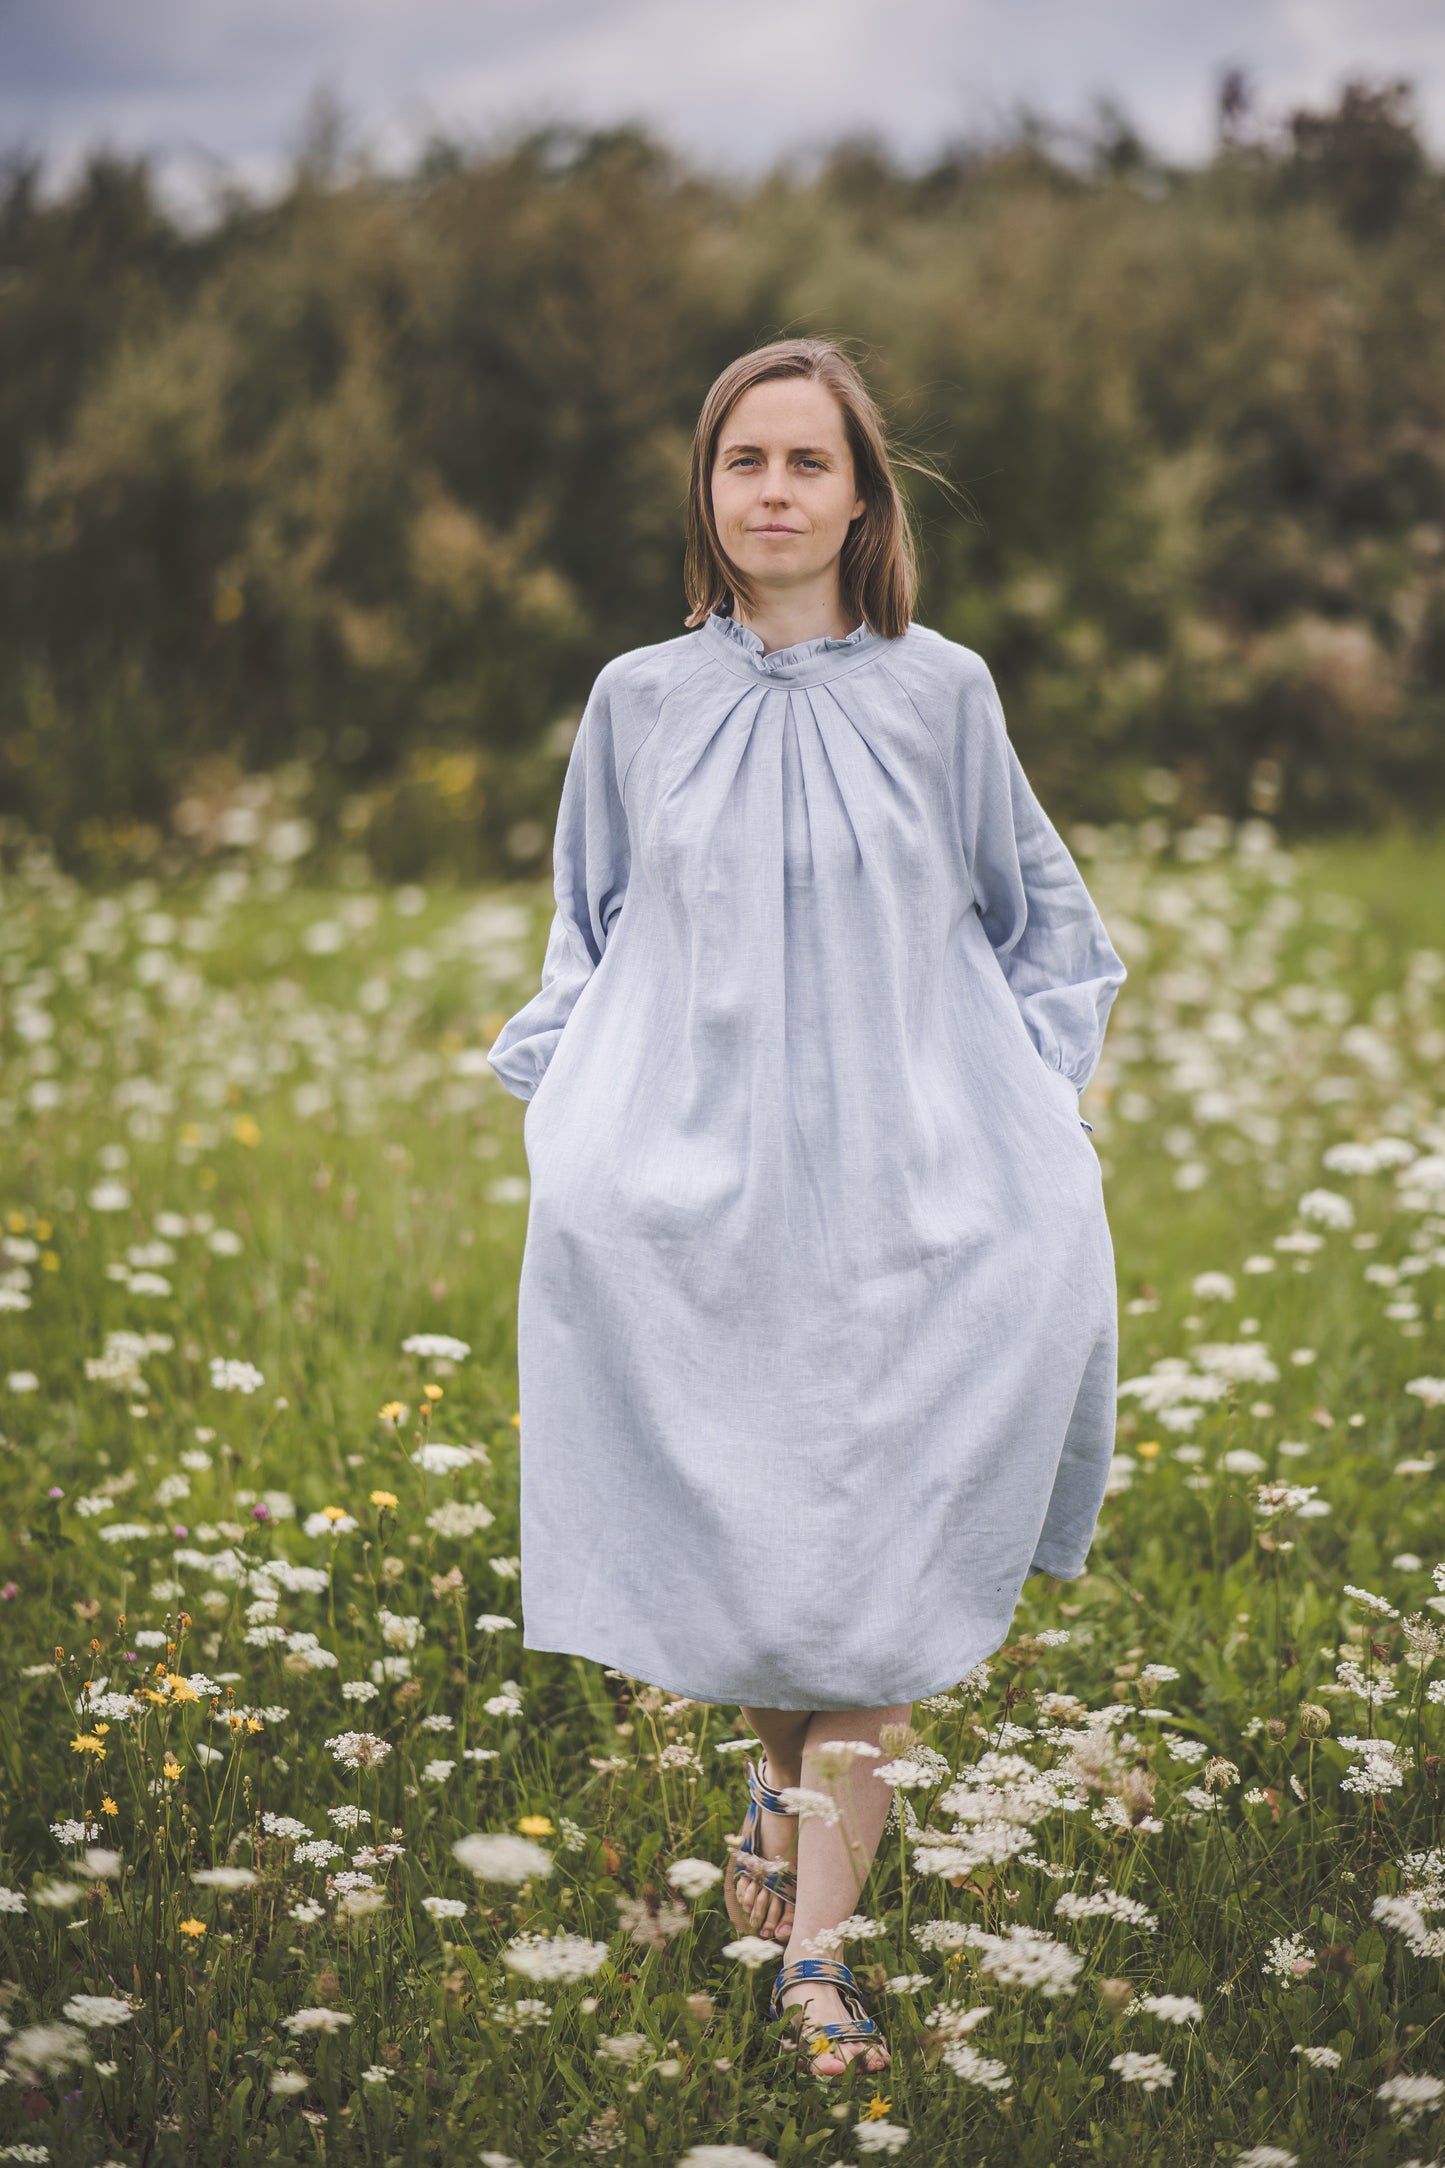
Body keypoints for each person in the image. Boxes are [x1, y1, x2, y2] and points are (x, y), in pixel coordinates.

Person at [486, 337, 1128, 2076]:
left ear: (862, 497)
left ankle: (815, 1967)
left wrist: (1038, 1120)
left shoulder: (944, 693)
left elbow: (1034, 922)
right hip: (705, 1202)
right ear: (707, 495)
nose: (772, 490)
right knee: (777, 1546)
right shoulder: (636, 700)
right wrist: (578, 1134)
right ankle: (780, 1810)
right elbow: (590, 937)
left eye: (806, 463)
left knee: (879, 1560)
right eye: (740, 462)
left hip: (917, 1201)